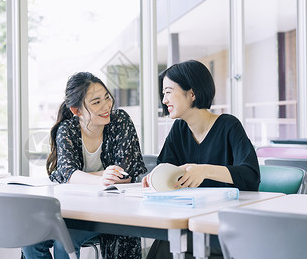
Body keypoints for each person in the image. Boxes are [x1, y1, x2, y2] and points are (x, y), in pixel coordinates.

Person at [22, 71, 147, 259]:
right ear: (76, 110)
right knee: (30, 240)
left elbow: (124, 174)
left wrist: (83, 177)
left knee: (65, 241)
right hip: (71, 209)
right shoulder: (67, 129)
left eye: (107, 98)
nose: (106, 106)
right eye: (96, 102)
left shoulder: (120, 120)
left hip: (109, 211)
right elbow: (69, 174)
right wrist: (103, 177)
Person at [143, 60, 260, 259]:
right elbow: (165, 167)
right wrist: (155, 178)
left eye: (169, 92)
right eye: (163, 93)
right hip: (187, 220)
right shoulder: (179, 130)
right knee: (167, 243)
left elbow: (251, 176)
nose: (164, 100)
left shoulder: (229, 126)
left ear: (192, 94)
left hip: (224, 226)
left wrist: (205, 170)